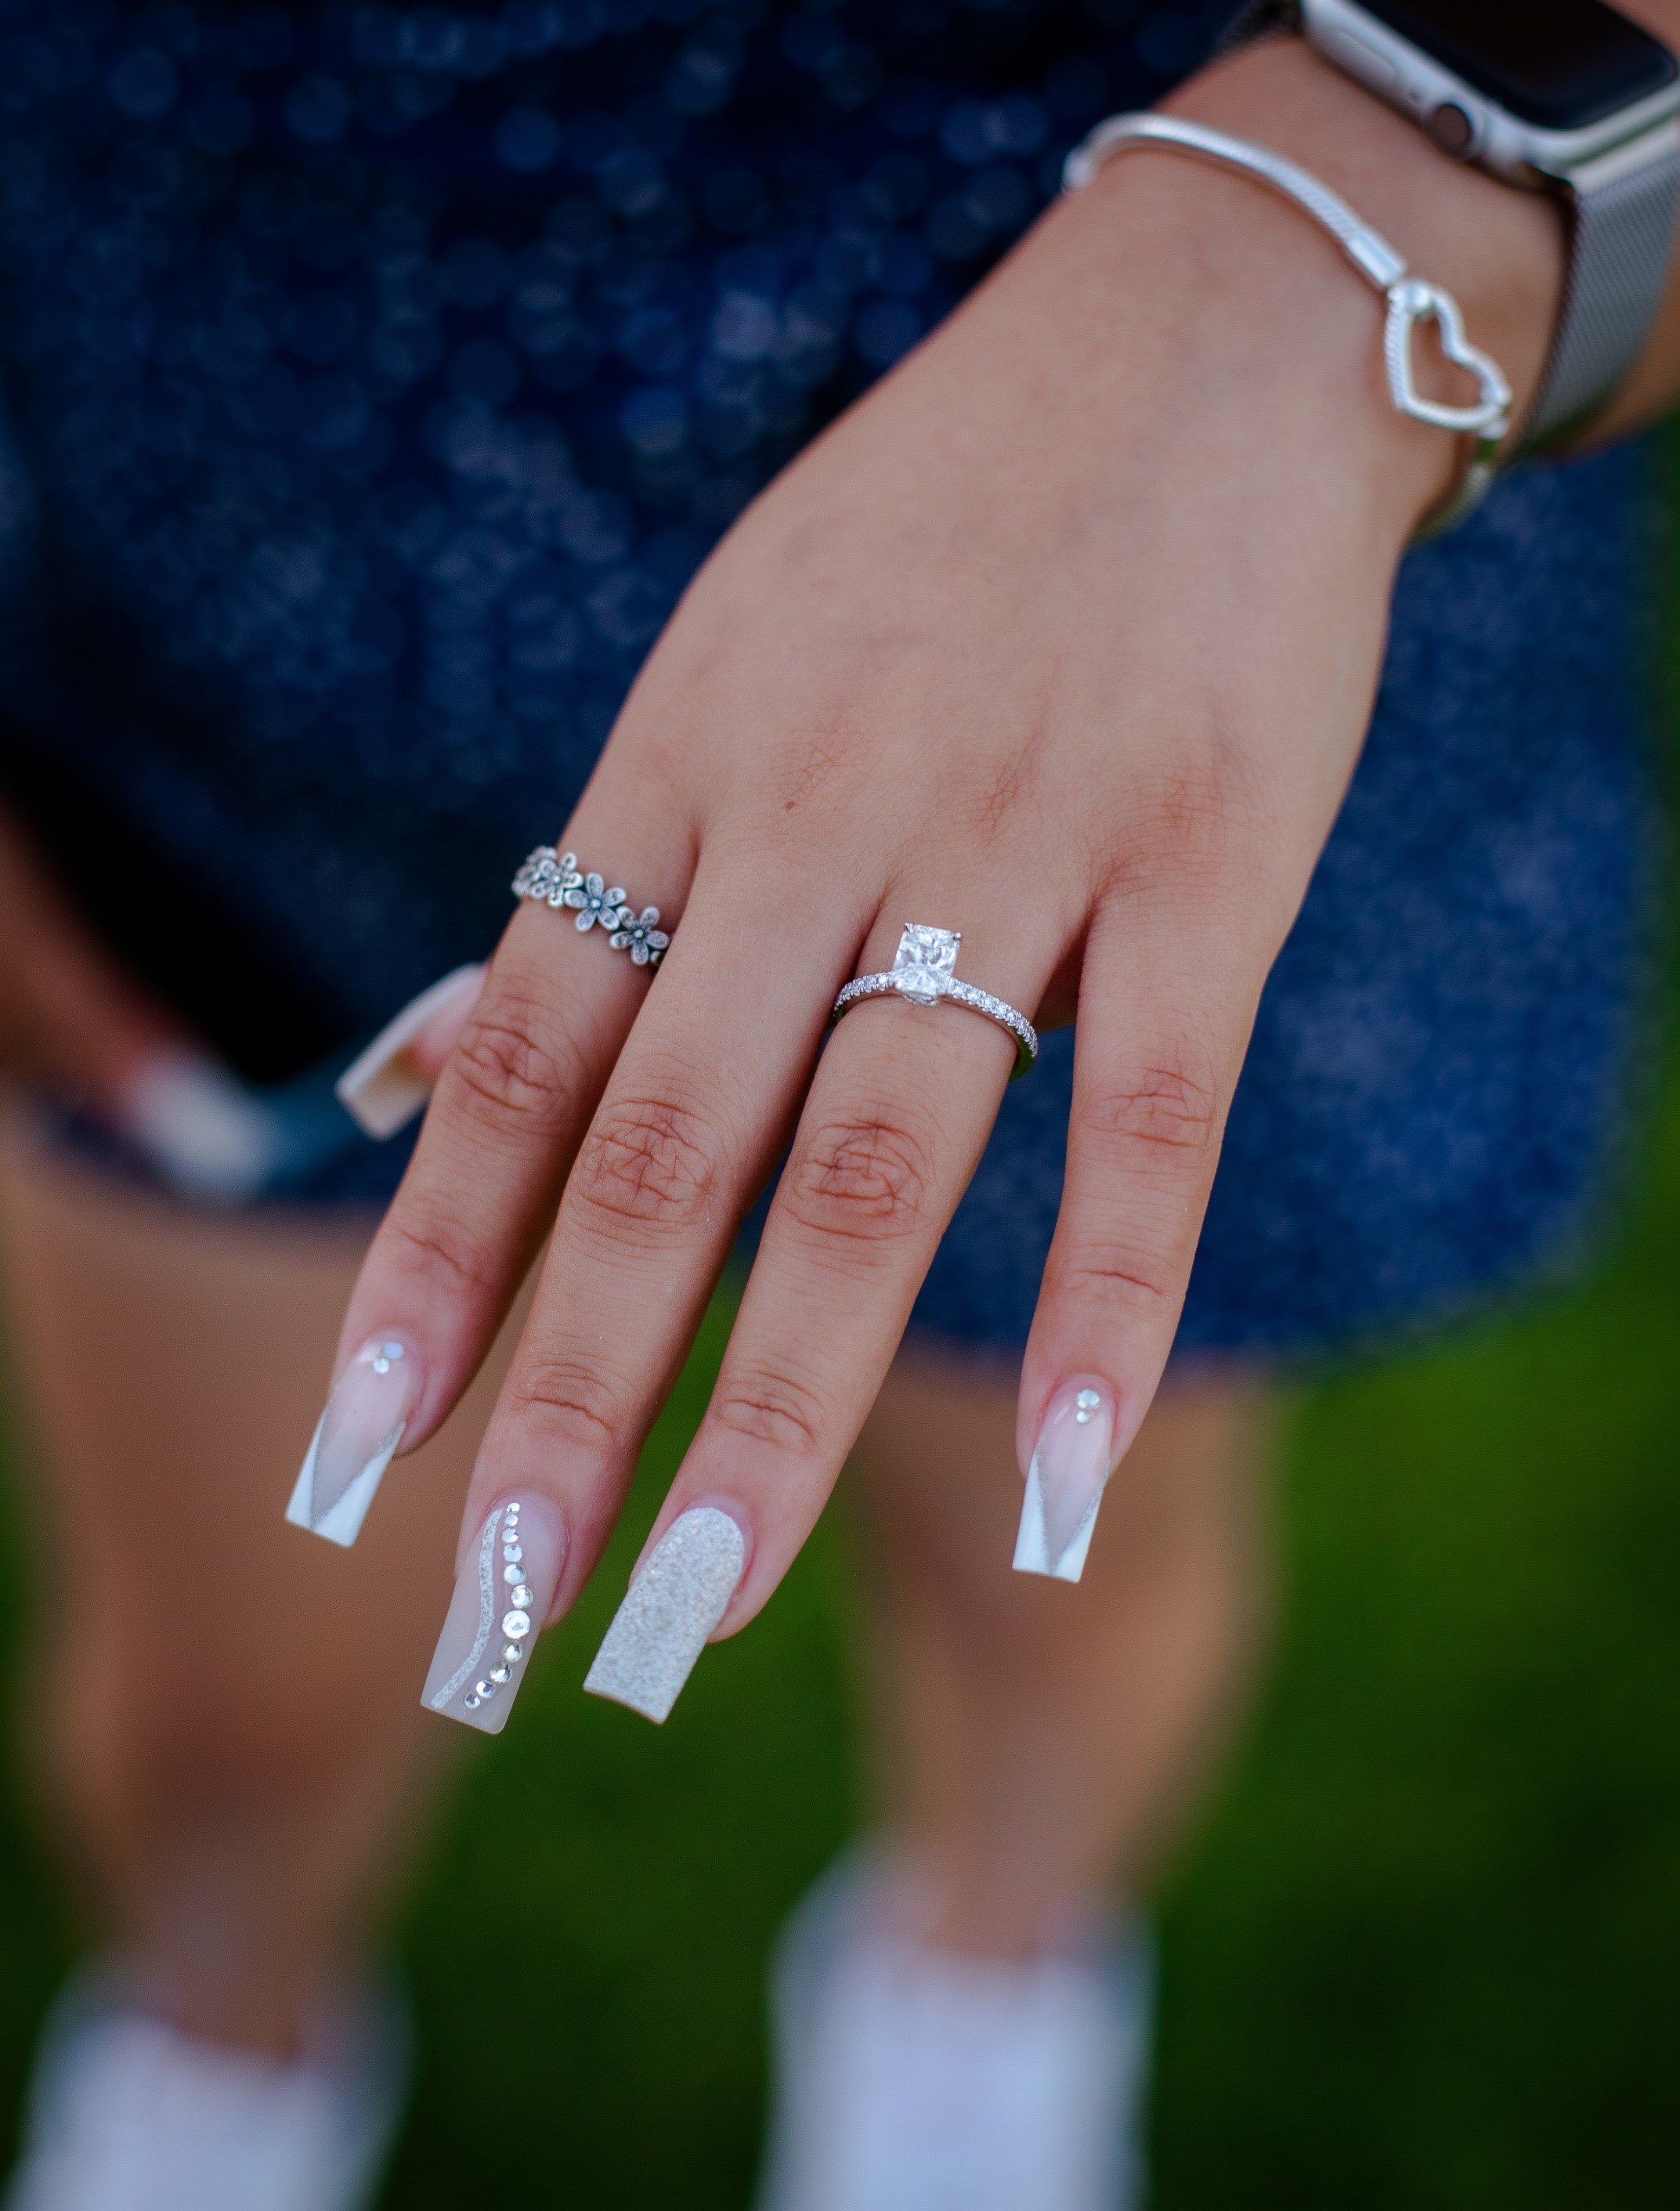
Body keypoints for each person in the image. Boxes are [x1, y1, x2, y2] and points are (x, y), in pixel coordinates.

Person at [0, 2, 1673, 2205]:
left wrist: (1373, 208)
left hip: (1179, 673)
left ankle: (982, 1992)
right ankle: (219, 2039)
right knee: (233, 1688)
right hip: (234, 586)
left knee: (1056, 1583)